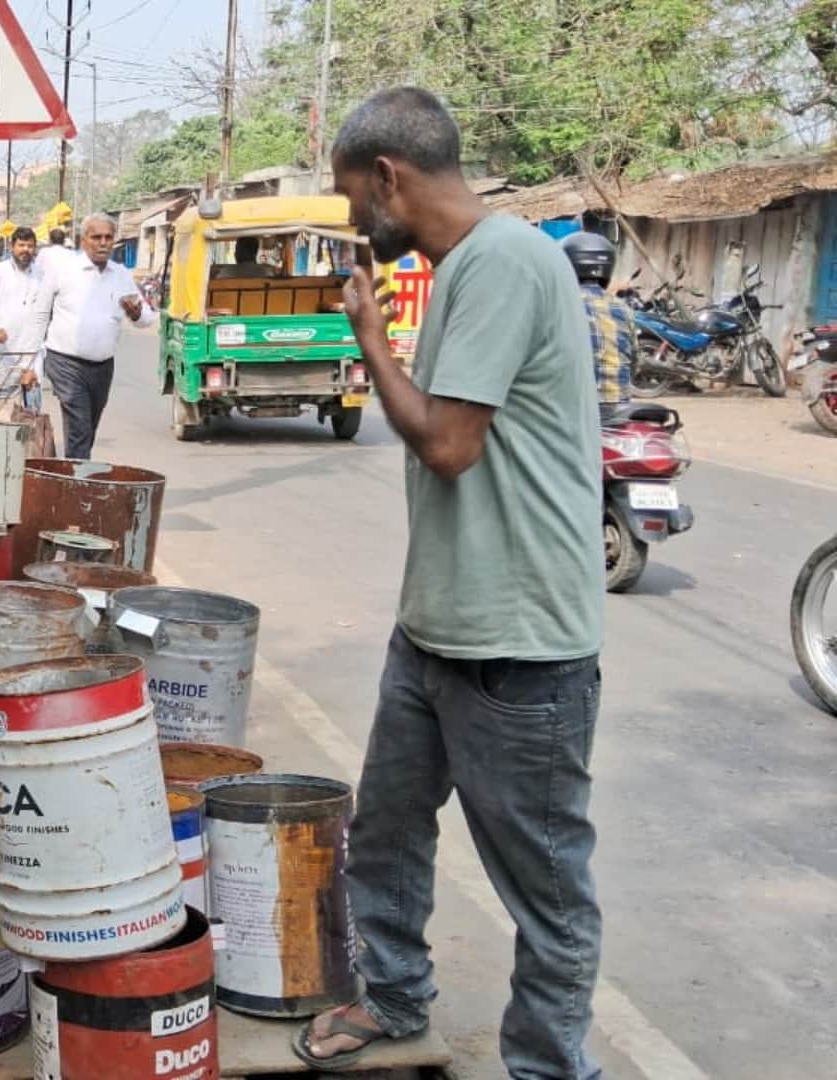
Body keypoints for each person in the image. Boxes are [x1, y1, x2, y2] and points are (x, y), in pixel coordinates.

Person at [295, 88, 604, 1078]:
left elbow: (449, 444)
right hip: (436, 630)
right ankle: (390, 995)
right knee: (384, 829)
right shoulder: (464, 268)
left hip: (519, 649)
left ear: (391, 178)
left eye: (354, 201)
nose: (355, 225)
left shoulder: (506, 262)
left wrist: (370, 341)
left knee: (546, 890)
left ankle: (552, 1066)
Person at [36, 213, 155, 458]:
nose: (103, 243)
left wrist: (136, 313)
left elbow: (147, 319)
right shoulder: (64, 271)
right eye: (96, 237)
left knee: (88, 427)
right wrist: (31, 362)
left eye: (108, 237)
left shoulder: (121, 274)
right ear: (83, 241)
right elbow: (40, 314)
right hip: (65, 362)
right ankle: (80, 486)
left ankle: (73, 476)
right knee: (80, 425)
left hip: (102, 366)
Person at [561, 231, 635, 416]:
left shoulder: (560, 304)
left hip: (575, 408)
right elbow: (635, 361)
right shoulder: (623, 308)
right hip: (619, 408)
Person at [0, 226, 50, 385]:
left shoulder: (42, 274)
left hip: (32, 350)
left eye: (30, 246)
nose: (26, 249)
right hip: (3, 349)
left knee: (31, 407)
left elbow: (46, 311)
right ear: (12, 247)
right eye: (21, 245)